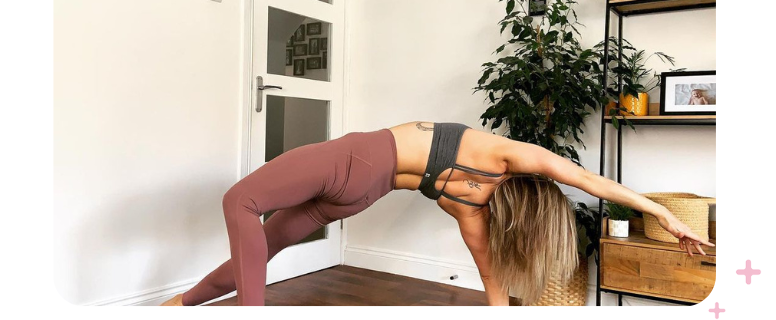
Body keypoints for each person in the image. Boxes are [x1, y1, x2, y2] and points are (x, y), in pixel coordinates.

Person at [162, 121, 712, 306]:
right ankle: (180, 304)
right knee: (264, 246)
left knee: (242, 202)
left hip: (353, 160)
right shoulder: (473, 206)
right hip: (357, 196)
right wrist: (664, 215)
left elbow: (589, 181)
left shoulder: (505, 154)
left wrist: (661, 213)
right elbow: (492, 277)